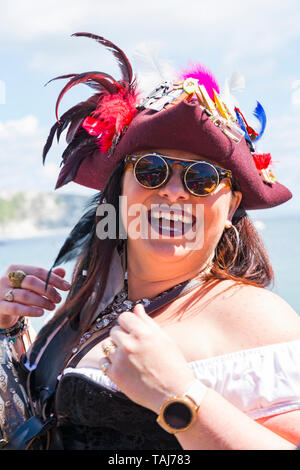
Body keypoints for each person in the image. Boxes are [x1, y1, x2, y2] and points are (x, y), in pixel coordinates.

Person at [1, 32, 300, 451]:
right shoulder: (92, 295)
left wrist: (178, 396)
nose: (174, 192)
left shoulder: (257, 319)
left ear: (231, 206)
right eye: (151, 170)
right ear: (120, 190)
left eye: (201, 179)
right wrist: (8, 328)